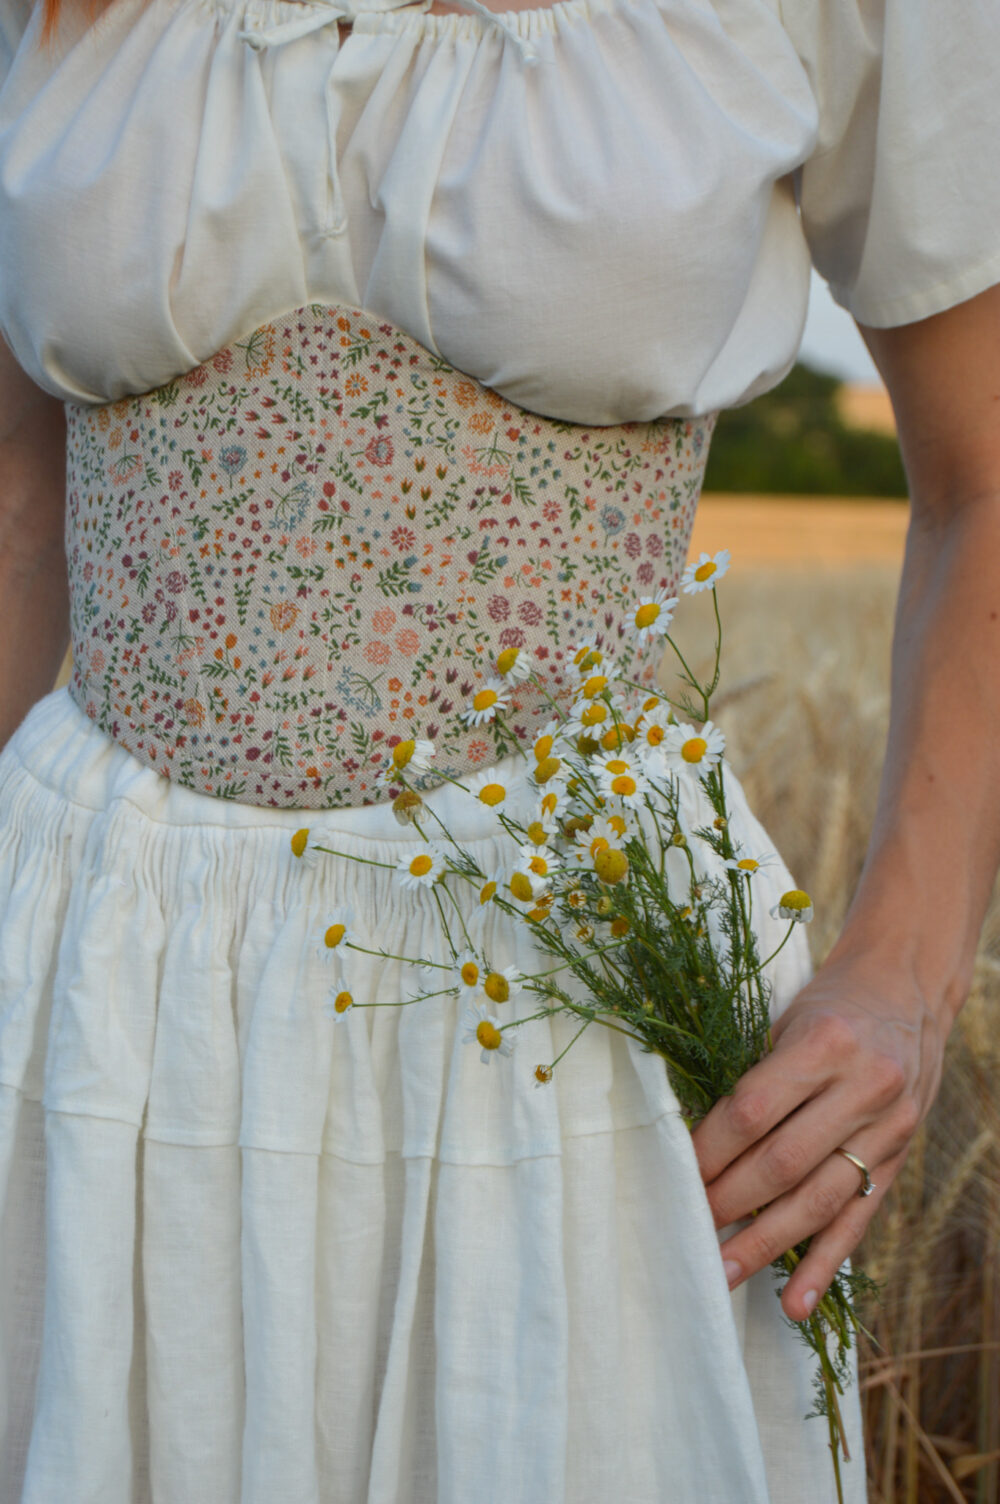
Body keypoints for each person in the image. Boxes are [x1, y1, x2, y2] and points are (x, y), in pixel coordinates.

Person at [0, 0, 997, 1495]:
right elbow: (21, 475)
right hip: (89, 982)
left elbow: (984, 483)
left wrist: (909, 973)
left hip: (566, 1009)